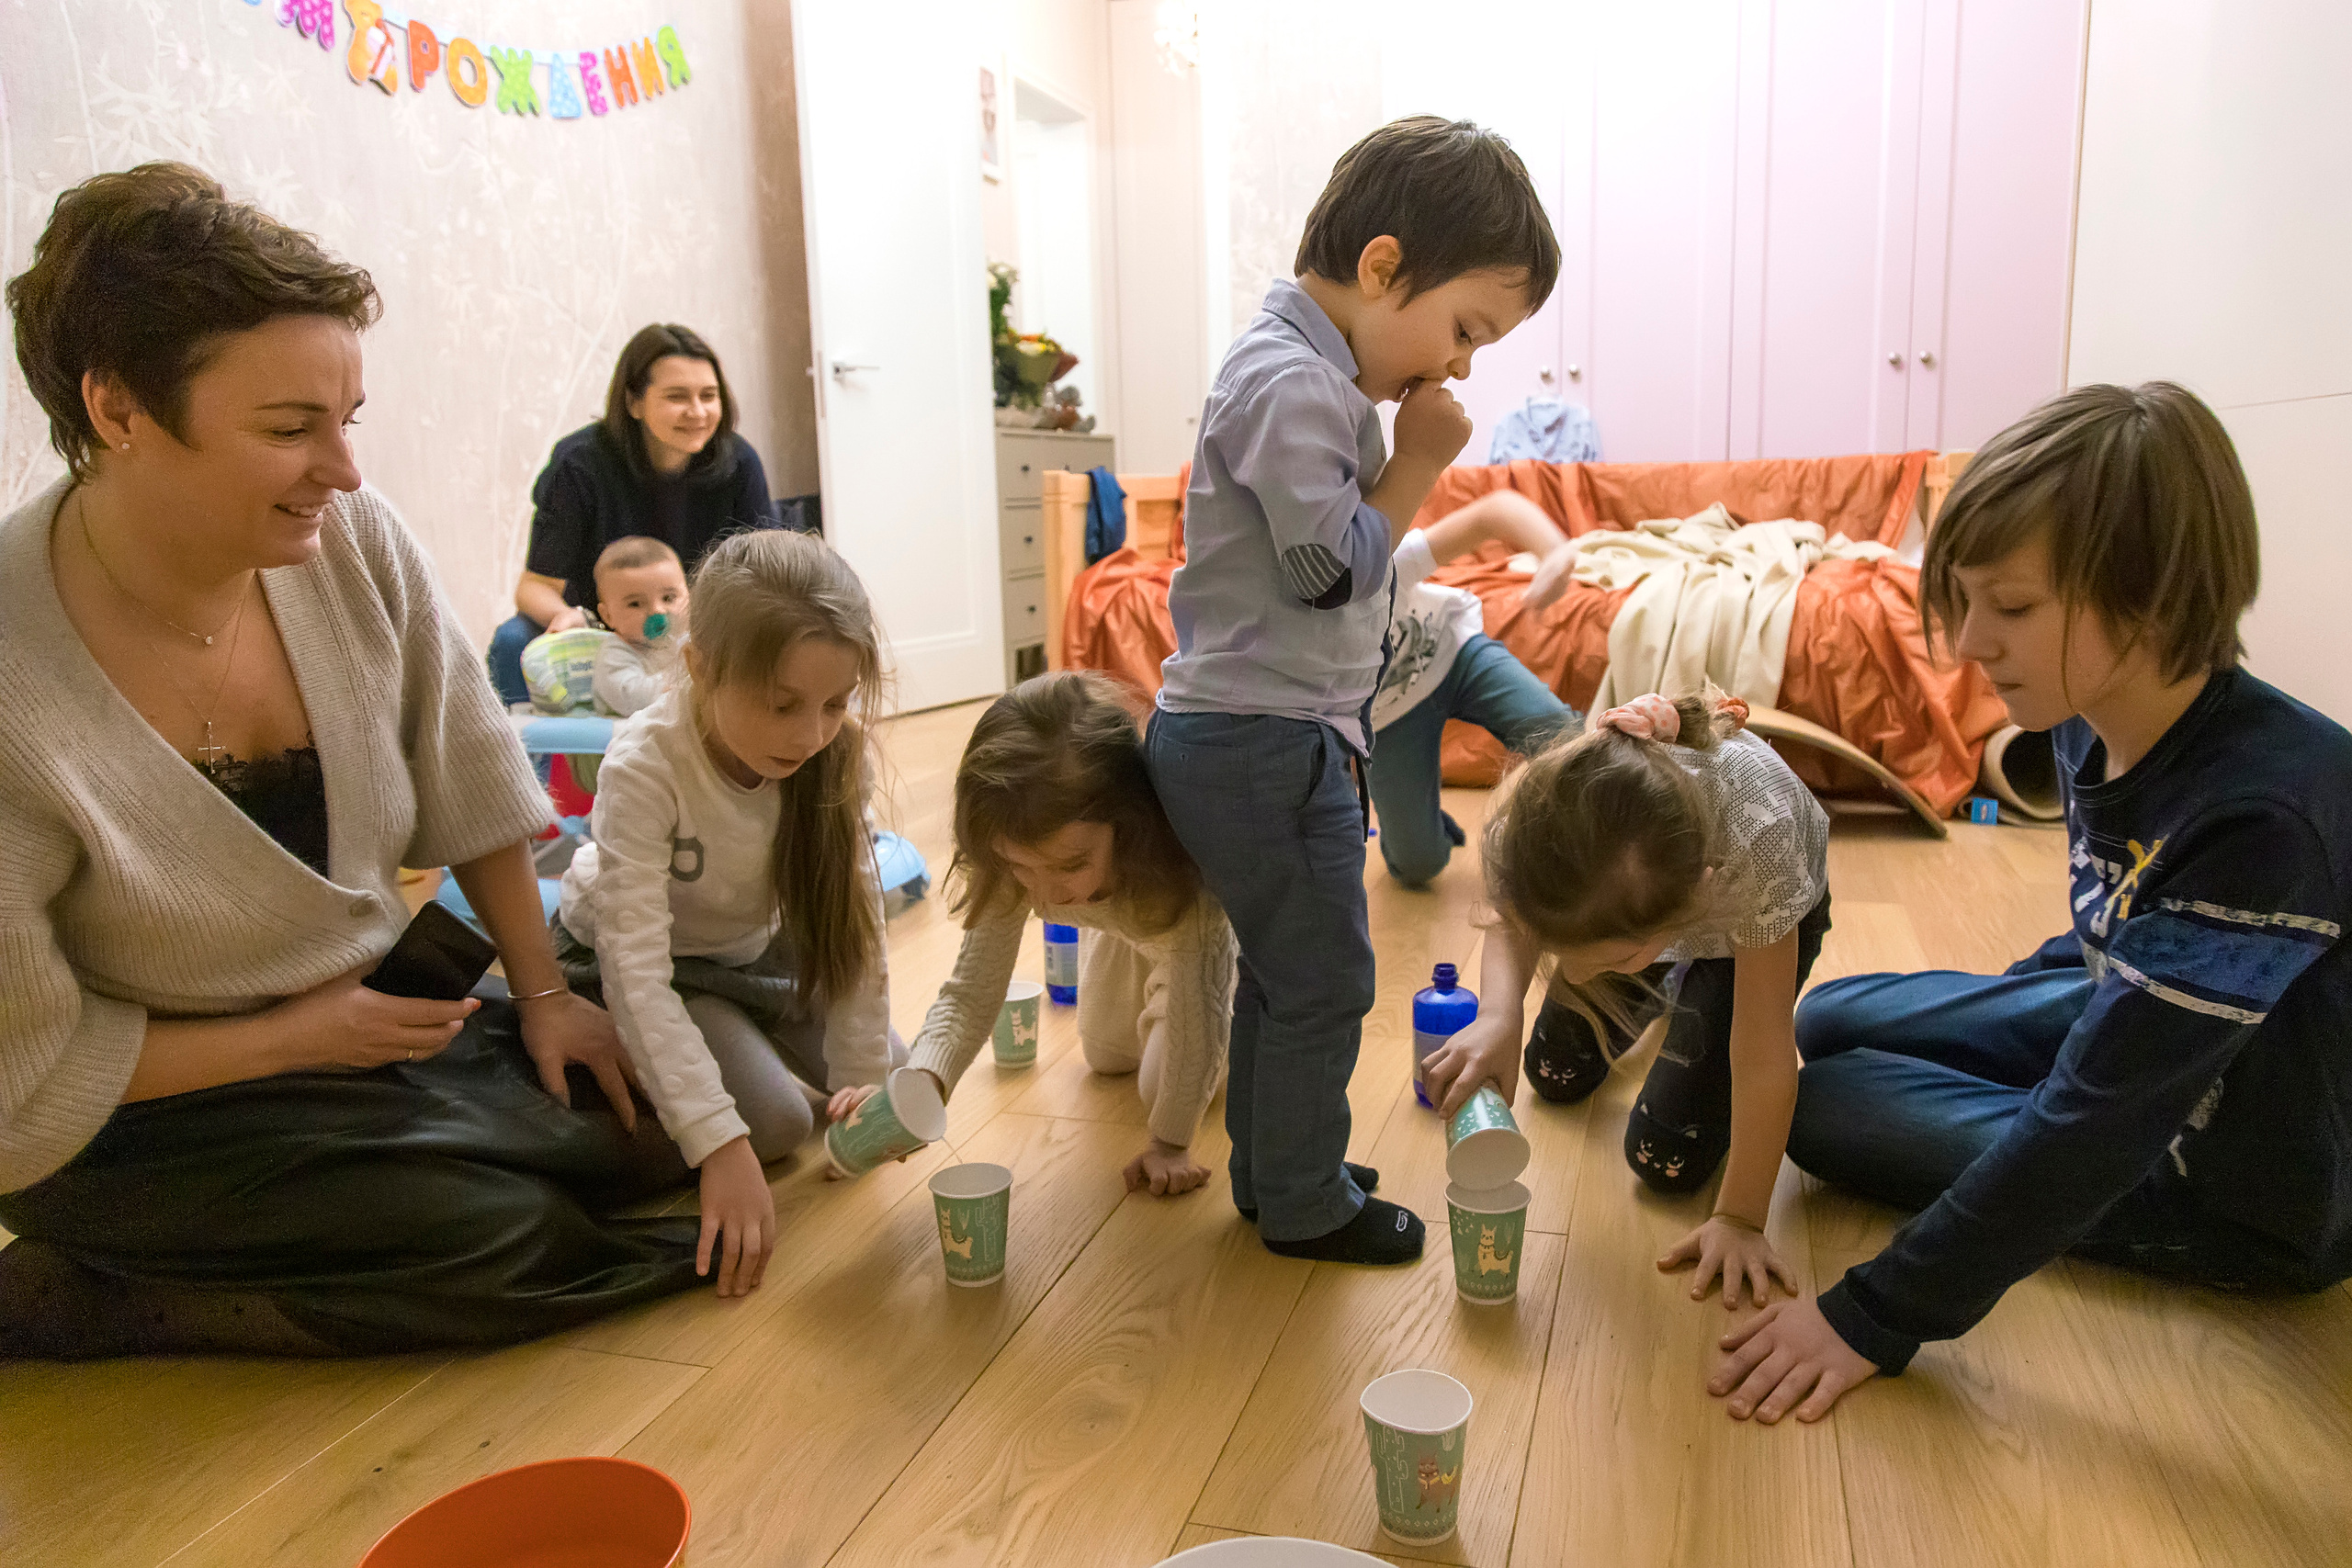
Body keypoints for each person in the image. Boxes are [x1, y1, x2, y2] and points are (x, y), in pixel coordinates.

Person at [0, 163, 701, 1359]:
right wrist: (285, 1040)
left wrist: (544, 997)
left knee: (671, 1121)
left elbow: (469, 768)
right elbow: (22, 1071)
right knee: (497, 1233)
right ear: (117, 409)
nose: (345, 470)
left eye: (347, 420)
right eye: (289, 430)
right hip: (148, 1110)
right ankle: (104, 1295)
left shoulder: (350, 539)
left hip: (368, 1027)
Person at [1710, 382, 2352, 1426]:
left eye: (2010, 609)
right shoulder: (2086, 712)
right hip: (2136, 1030)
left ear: (2155, 598)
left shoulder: (2265, 820)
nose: (1969, 643)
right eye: (1963, 601)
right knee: (1823, 1018)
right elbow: (2112, 923)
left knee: (1821, 1107)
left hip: (2229, 1172)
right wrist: (2008, 1025)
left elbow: (2101, 1122)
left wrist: (1872, 1315)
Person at [1144, 116, 1559, 1264]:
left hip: (1260, 734)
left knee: (1286, 976)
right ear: (1382, 268)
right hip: (1262, 741)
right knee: (1324, 983)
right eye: (1464, 329)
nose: (1460, 366)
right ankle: (1305, 1202)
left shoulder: (1302, 373)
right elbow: (1326, 572)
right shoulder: (1296, 384)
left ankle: (1275, 1172)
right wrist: (1417, 461)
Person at [844, 671, 1378, 1201]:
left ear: (1128, 823)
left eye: (1070, 864)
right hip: (1122, 931)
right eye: (1021, 867)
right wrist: (922, 1082)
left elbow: (1199, 1015)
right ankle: (1136, 970)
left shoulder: (1179, 875)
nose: (1045, 893)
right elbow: (971, 992)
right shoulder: (1016, 860)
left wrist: (1170, 1143)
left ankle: (1180, 996)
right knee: (1105, 1055)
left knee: (1160, 1086)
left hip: (1194, 949)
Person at [553, 528, 902, 1298]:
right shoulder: (645, 764)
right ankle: (724, 1062)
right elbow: (635, 969)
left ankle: (741, 1045)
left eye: (835, 704)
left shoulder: (832, 754)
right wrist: (715, 1142)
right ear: (700, 667)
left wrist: (861, 1077)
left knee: (894, 1077)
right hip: (649, 963)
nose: (811, 734)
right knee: (774, 1126)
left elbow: (857, 926)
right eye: (782, 704)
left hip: (748, 951)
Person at [1423, 693, 1832, 1320]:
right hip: (1640, 919)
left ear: (1692, 900)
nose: (1577, 976)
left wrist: (1741, 1217)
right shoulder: (1541, 813)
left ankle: (1691, 980)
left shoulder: (1761, 845)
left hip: (1758, 925)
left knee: (1664, 1159)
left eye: (1604, 962)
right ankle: (1658, 979)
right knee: (1552, 1071)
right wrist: (1501, 1015)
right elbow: (1513, 917)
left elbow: (1762, 1054)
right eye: (1565, 954)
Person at [488, 323, 776, 706]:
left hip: (696, 629)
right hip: (602, 630)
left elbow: (763, 578)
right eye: (677, 396)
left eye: (709, 396)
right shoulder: (579, 465)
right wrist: (569, 619)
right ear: (634, 402)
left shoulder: (740, 463)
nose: (697, 412)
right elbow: (534, 586)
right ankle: (519, 748)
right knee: (511, 643)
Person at [1370, 489, 1583, 886]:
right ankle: (1425, 822)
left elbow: (1492, 511)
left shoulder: (1378, 562)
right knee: (1418, 865)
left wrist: (1556, 552)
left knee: (1562, 733)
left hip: (1456, 654)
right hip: (1387, 717)